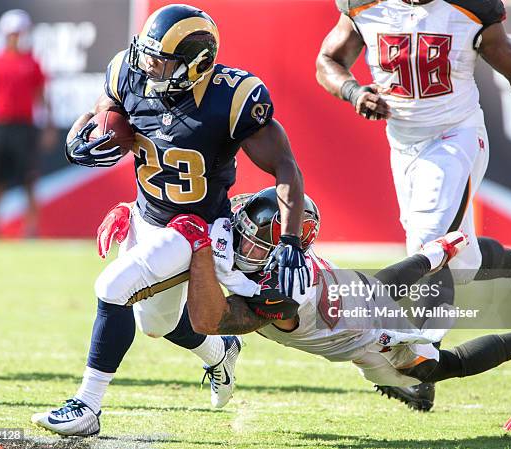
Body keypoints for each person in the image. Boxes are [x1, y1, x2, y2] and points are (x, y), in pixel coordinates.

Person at [32, 4, 308, 437]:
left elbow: (286, 168)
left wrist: (290, 241)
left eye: (162, 61)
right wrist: (80, 133)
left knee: (111, 288)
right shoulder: (130, 70)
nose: (149, 67)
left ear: (197, 64)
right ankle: (221, 352)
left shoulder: (233, 97)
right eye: (147, 56)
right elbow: (105, 109)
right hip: (147, 214)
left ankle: (86, 407)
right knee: (154, 324)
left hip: (197, 228)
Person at [315, 0, 511, 409]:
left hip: (457, 135)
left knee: (432, 246)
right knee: (460, 263)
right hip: (404, 145)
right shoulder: (364, 5)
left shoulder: (469, 7)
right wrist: (353, 90)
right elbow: (328, 59)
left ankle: (421, 363)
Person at [168, 187, 511, 401]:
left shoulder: (285, 291)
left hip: (371, 337)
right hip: (357, 297)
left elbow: (211, 319)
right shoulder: (269, 255)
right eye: (245, 233)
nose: (242, 247)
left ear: (278, 254)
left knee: (432, 368)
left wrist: (434, 257)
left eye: (256, 244)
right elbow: (375, 285)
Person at [0, 9, 55, 238]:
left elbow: (42, 94)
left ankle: (31, 228)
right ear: (5, 35)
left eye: (19, 33)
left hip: (24, 127)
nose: (15, 37)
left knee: (29, 179)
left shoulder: (32, 62)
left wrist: (49, 124)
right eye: (11, 33)